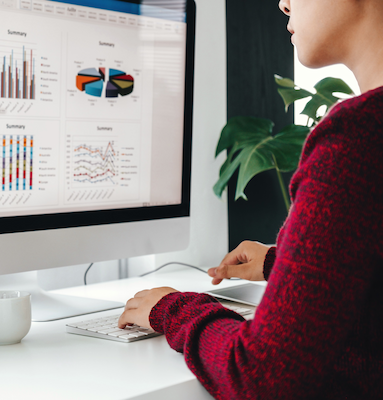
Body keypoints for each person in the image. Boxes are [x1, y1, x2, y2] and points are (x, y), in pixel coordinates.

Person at [118, 0, 383, 398]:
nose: (284, 3)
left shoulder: (357, 140)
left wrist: (176, 309)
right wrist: (288, 265)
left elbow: (263, 378)